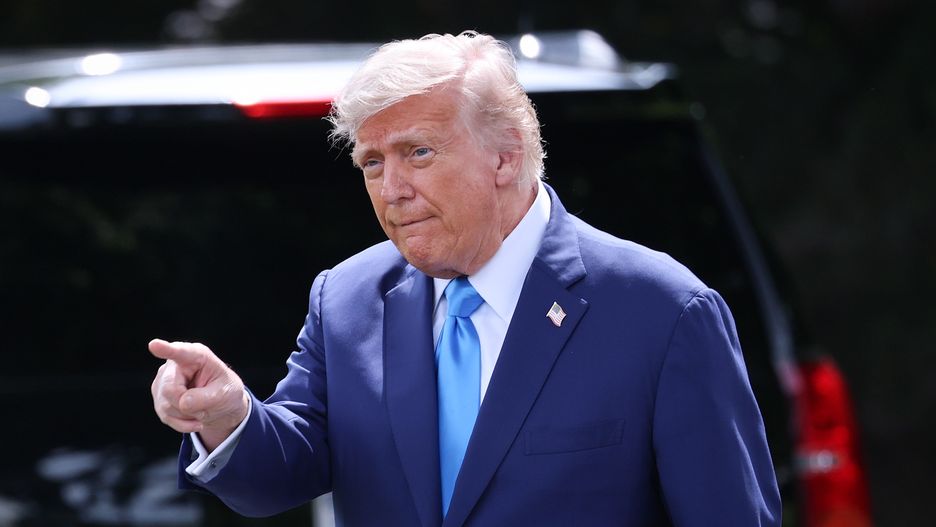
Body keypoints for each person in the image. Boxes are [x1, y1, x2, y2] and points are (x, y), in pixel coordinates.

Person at [149, 31, 781, 526]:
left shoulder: (661, 311)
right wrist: (229, 417)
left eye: (418, 152)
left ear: (506, 154)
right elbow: (274, 479)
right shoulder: (346, 300)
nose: (392, 189)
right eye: (372, 162)